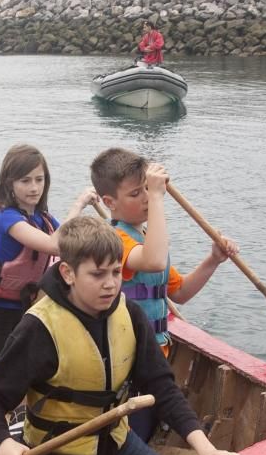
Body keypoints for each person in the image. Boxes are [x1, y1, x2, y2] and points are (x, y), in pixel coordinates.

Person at [0, 216, 247, 455]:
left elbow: (163, 387)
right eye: (97, 274)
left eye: (116, 272)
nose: (110, 284)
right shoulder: (39, 328)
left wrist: (206, 449)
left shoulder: (130, 315)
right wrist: (2, 443)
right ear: (68, 273)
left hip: (117, 447)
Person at [90, 148, 238, 440]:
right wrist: (157, 197)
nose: (145, 198)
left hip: (157, 353)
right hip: (128, 360)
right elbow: (153, 261)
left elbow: (180, 292)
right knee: (131, 433)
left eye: (147, 189)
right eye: (136, 194)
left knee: (145, 426)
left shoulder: (146, 238)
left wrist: (213, 260)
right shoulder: (116, 240)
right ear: (110, 203)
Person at [0, 144, 98, 364]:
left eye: (39, 180)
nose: (34, 188)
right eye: (25, 181)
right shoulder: (6, 219)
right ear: (9, 183)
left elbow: (72, 238)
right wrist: (79, 204)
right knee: (12, 380)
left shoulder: (43, 219)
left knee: (23, 369)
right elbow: (54, 244)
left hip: (23, 311)